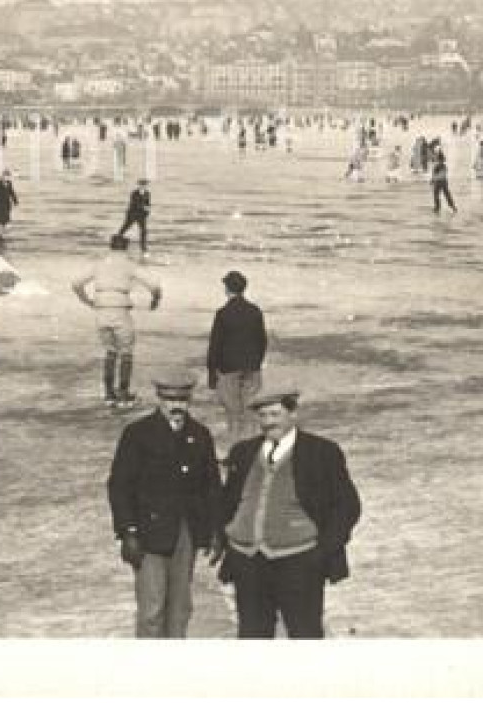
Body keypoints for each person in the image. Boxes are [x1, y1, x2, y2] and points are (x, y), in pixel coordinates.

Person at [217, 388, 361, 639]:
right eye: (262, 416)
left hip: (299, 562)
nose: (269, 422)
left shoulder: (321, 452)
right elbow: (228, 502)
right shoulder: (243, 452)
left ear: (293, 414)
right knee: (252, 636)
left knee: (304, 635)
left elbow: (347, 506)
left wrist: (322, 551)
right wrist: (227, 540)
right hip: (249, 562)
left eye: (275, 414)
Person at [106, 368, 223, 638]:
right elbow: (120, 486)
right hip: (150, 535)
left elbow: (212, 487)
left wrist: (215, 529)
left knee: (180, 610)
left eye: (182, 400)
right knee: (152, 610)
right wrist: (128, 532)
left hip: (187, 532)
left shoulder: (200, 435)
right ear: (159, 399)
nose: (176, 407)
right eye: (170, 400)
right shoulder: (138, 434)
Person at [72, 234, 162, 406]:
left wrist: (86, 300)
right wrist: (155, 299)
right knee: (126, 352)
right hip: (120, 309)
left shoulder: (99, 264)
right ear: (126, 247)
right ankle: (123, 392)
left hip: (101, 310)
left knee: (110, 351)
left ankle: (108, 393)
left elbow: (76, 283)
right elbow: (154, 285)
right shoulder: (129, 265)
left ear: (110, 246)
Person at [207, 270, 268, 448]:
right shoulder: (255, 311)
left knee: (233, 414)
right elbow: (262, 340)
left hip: (228, 369)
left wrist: (212, 371)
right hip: (251, 367)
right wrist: (257, 362)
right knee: (250, 412)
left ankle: (236, 450)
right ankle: (251, 450)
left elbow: (215, 345)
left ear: (227, 289)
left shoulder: (223, 314)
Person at [118, 178, 153, 255]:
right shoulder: (134, 193)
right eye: (142, 185)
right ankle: (118, 240)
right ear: (139, 185)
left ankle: (143, 247)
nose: (143, 186)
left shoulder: (147, 193)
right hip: (132, 214)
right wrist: (144, 207)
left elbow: (148, 203)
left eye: (145, 185)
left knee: (143, 231)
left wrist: (148, 210)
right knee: (125, 227)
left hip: (142, 215)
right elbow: (135, 204)